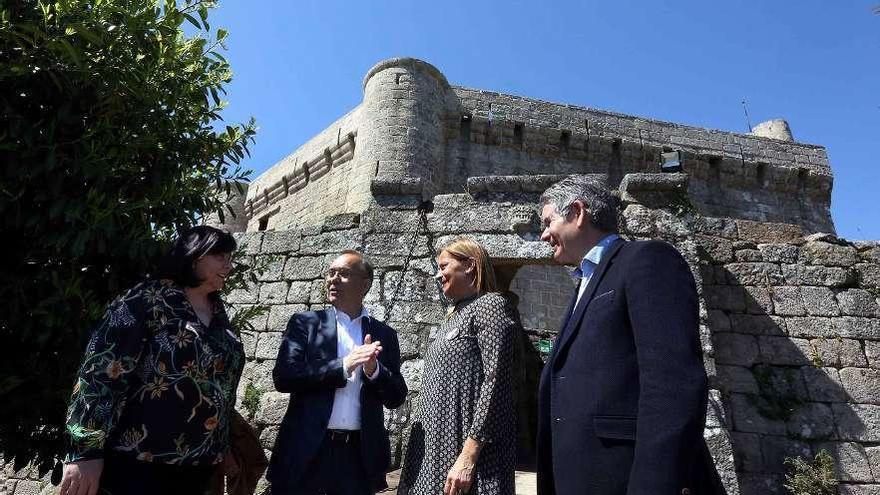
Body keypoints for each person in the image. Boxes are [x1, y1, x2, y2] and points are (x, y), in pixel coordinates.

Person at [535, 175, 724, 495]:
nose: (543, 235)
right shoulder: (584, 282)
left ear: (578, 213)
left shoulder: (646, 261)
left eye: (548, 222)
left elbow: (673, 385)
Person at [60, 225, 246, 495]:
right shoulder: (147, 299)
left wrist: (223, 444)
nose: (228, 266)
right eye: (221, 257)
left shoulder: (218, 312)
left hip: (199, 466)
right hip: (137, 463)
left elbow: (221, 387)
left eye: (230, 259)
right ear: (195, 256)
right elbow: (101, 371)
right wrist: (85, 452)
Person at [267, 250, 407, 495]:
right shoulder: (306, 323)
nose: (333, 279)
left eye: (343, 274)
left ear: (365, 285)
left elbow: (396, 397)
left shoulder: (384, 334)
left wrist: (374, 371)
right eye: (331, 273)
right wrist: (343, 366)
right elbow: (284, 376)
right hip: (306, 450)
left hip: (357, 457)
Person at [398, 237, 518, 495]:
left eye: (443, 266)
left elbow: (497, 381)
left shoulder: (489, 306)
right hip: (435, 455)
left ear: (470, 266)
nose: (437, 275)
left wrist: (469, 454)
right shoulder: (455, 315)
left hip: (468, 456)